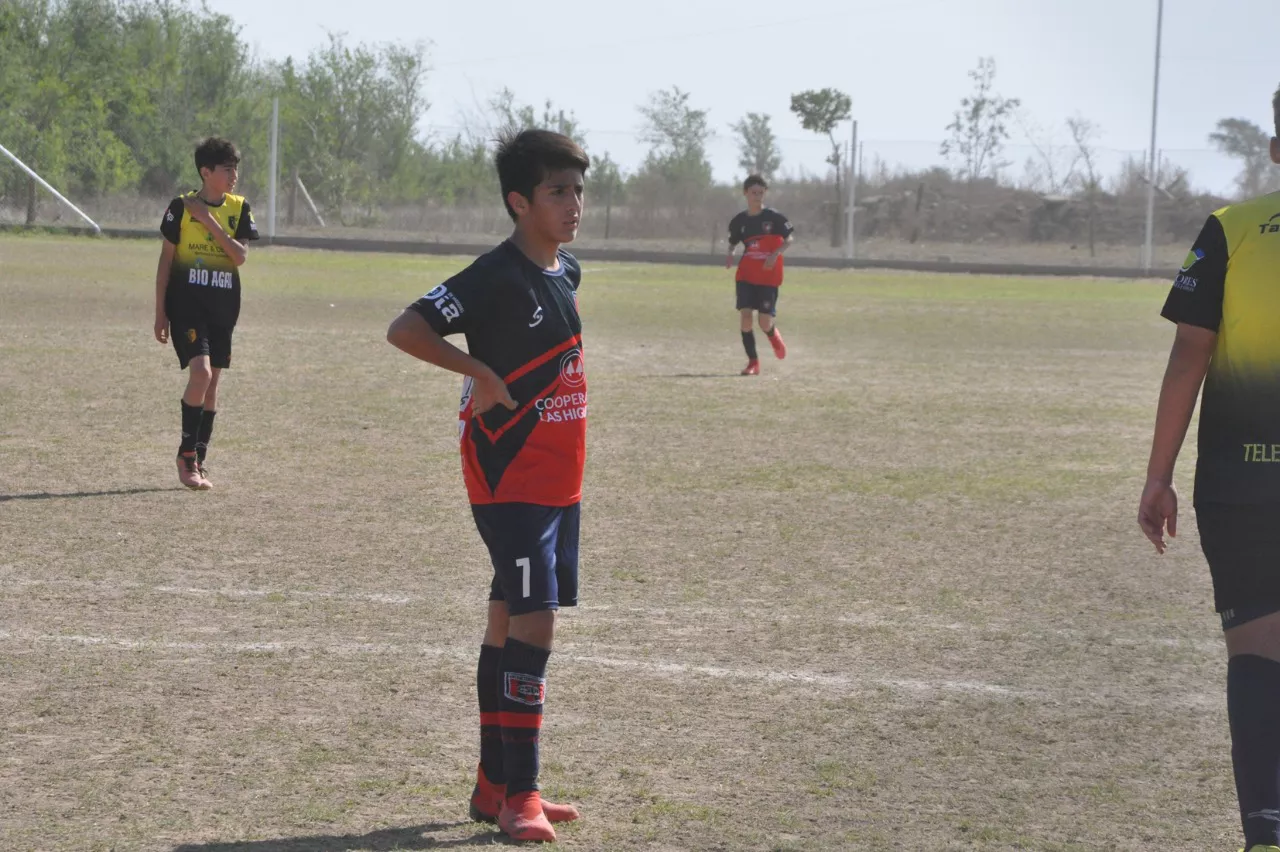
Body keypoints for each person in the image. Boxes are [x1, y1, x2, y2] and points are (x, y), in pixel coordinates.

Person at [386, 128, 589, 843]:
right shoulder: (493, 275)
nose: (573, 205)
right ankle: (522, 797)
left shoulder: (566, 274)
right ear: (518, 201)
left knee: (508, 615)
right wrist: (477, 374)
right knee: (536, 619)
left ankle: (493, 785)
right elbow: (405, 329)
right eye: (557, 192)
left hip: (559, 480)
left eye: (577, 191)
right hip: (510, 477)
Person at [1138, 84, 1280, 852]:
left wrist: (1157, 476)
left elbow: (1191, 352)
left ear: (1274, 148)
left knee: (1259, 651)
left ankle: (1267, 830)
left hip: (1244, 483)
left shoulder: (1233, 228)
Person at [154, 136, 258, 490]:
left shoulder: (239, 208)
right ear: (205, 172)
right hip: (185, 306)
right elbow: (166, 261)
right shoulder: (180, 208)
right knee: (201, 372)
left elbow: (239, 256)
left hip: (223, 309)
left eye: (236, 168)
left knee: (212, 386)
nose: (234, 175)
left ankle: (199, 457)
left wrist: (209, 220)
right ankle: (186, 457)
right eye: (227, 169)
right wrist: (159, 312)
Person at [725, 174, 794, 376]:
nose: (757, 196)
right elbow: (733, 241)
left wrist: (775, 254)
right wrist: (730, 252)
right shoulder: (740, 221)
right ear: (745, 193)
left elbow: (789, 239)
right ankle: (753, 363)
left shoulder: (774, 218)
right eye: (753, 192)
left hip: (768, 277)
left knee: (764, 322)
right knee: (746, 318)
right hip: (746, 275)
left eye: (761, 193)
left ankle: (773, 336)